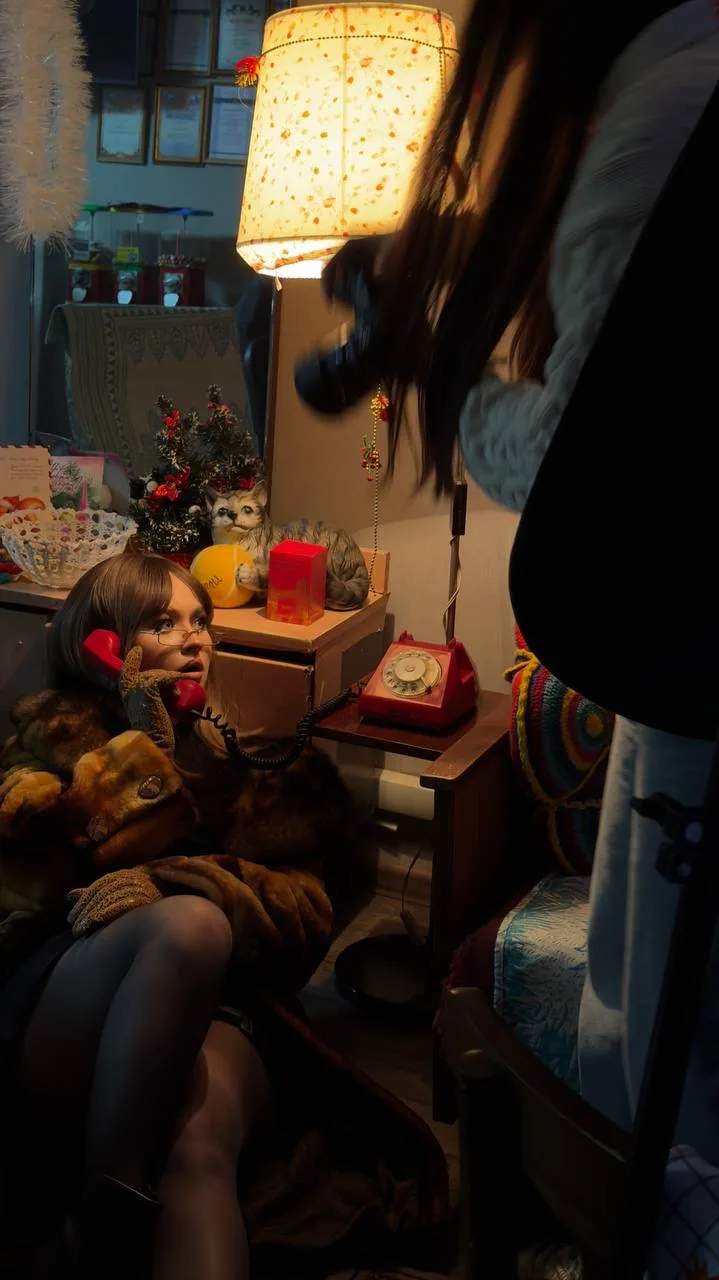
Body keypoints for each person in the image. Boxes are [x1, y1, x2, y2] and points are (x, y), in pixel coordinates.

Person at [314, 0, 719, 1150]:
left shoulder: (657, 122)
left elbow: (585, 469)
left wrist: (440, 373)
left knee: (660, 1085)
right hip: (680, 685)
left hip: (690, 699)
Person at [0, 552, 446, 1280]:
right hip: (71, 997)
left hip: (227, 1010)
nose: (194, 638)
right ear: (102, 641)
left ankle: (100, 1223)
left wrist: (174, 879)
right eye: (162, 622)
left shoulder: (262, 775)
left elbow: (303, 918)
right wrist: (139, 754)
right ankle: (106, 1210)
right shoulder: (43, 756)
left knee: (195, 1149)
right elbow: (28, 895)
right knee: (190, 927)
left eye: (201, 621)